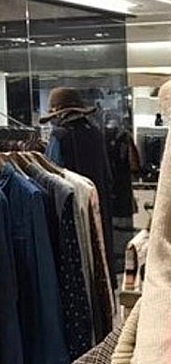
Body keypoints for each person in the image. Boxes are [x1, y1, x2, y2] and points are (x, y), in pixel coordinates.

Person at [42, 87, 116, 284]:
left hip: (73, 211)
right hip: (99, 207)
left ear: (61, 114)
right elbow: (108, 175)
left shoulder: (60, 136)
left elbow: (51, 179)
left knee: (78, 269)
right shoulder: (96, 134)